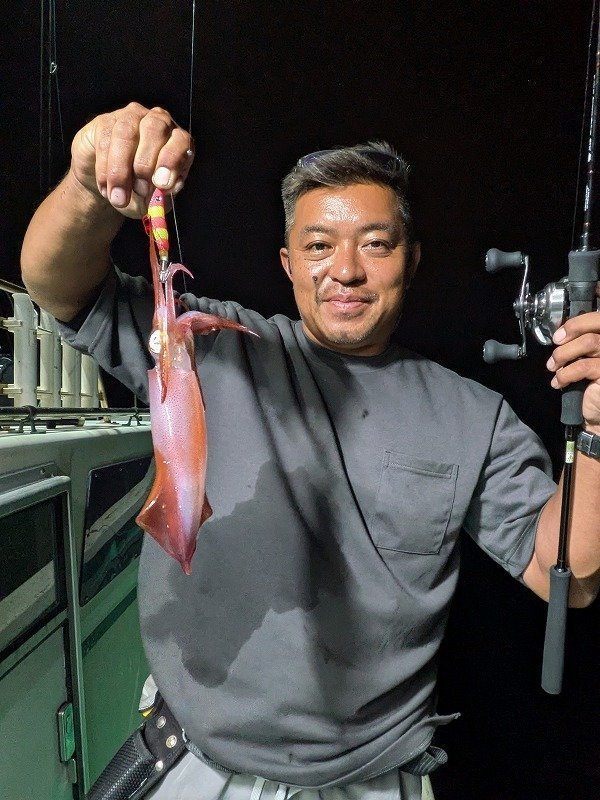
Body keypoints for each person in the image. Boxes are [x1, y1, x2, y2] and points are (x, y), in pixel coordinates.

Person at [21, 103, 600, 800]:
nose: (345, 270)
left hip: (367, 780)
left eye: (376, 244)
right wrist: (90, 187)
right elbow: (58, 285)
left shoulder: (475, 417)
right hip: (192, 760)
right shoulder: (217, 347)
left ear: (412, 261)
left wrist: (598, 430)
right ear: (288, 263)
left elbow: (569, 575)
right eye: (320, 245)